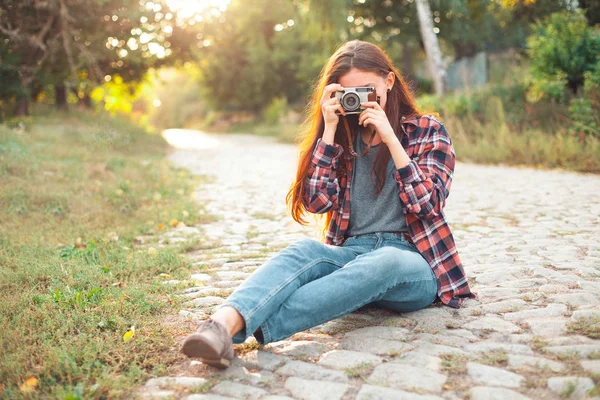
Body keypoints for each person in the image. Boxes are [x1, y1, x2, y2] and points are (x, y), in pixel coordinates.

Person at [180, 39, 475, 369]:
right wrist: (330, 130)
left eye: (368, 91)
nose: (359, 102)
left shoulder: (427, 130)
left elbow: (427, 205)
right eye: (349, 94)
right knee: (301, 251)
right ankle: (218, 329)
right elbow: (318, 202)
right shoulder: (343, 137)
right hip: (353, 252)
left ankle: (257, 324)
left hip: (412, 261)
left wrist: (391, 138)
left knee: (385, 261)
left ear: (389, 82)